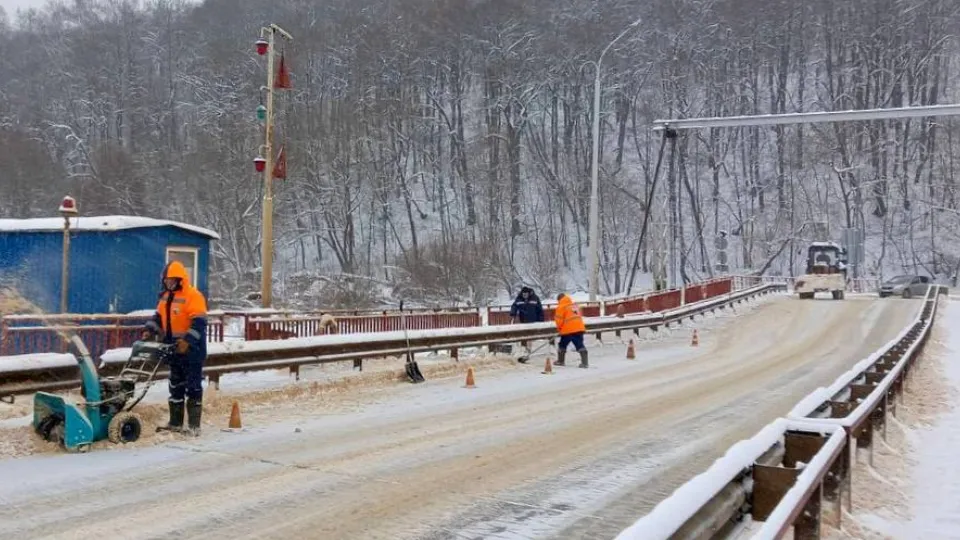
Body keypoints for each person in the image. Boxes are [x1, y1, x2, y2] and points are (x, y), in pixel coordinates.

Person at [143, 261, 209, 436]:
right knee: (175, 385)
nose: (168, 284)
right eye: (166, 281)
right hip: (173, 349)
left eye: (172, 280)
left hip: (192, 351)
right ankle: (175, 423)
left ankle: (194, 426)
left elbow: (200, 322)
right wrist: (150, 329)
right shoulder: (165, 297)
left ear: (180, 280)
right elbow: (158, 316)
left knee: (193, 386)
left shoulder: (193, 296)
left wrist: (187, 340)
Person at [510, 286, 545, 363]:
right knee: (525, 335)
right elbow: (514, 306)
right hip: (523, 320)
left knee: (530, 336)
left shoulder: (535, 298)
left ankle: (528, 350)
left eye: (526, 294)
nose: (525, 295)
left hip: (533, 320)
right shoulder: (519, 298)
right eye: (523, 294)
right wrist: (513, 313)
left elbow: (540, 309)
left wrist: (541, 320)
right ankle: (524, 350)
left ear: (529, 293)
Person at [554, 293, 588, 369]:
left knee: (562, 344)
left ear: (559, 300)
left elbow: (558, 320)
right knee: (579, 344)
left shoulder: (561, 307)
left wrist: (559, 329)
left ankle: (561, 361)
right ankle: (585, 362)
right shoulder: (574, 306)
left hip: (568, 330)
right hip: (579, 328)